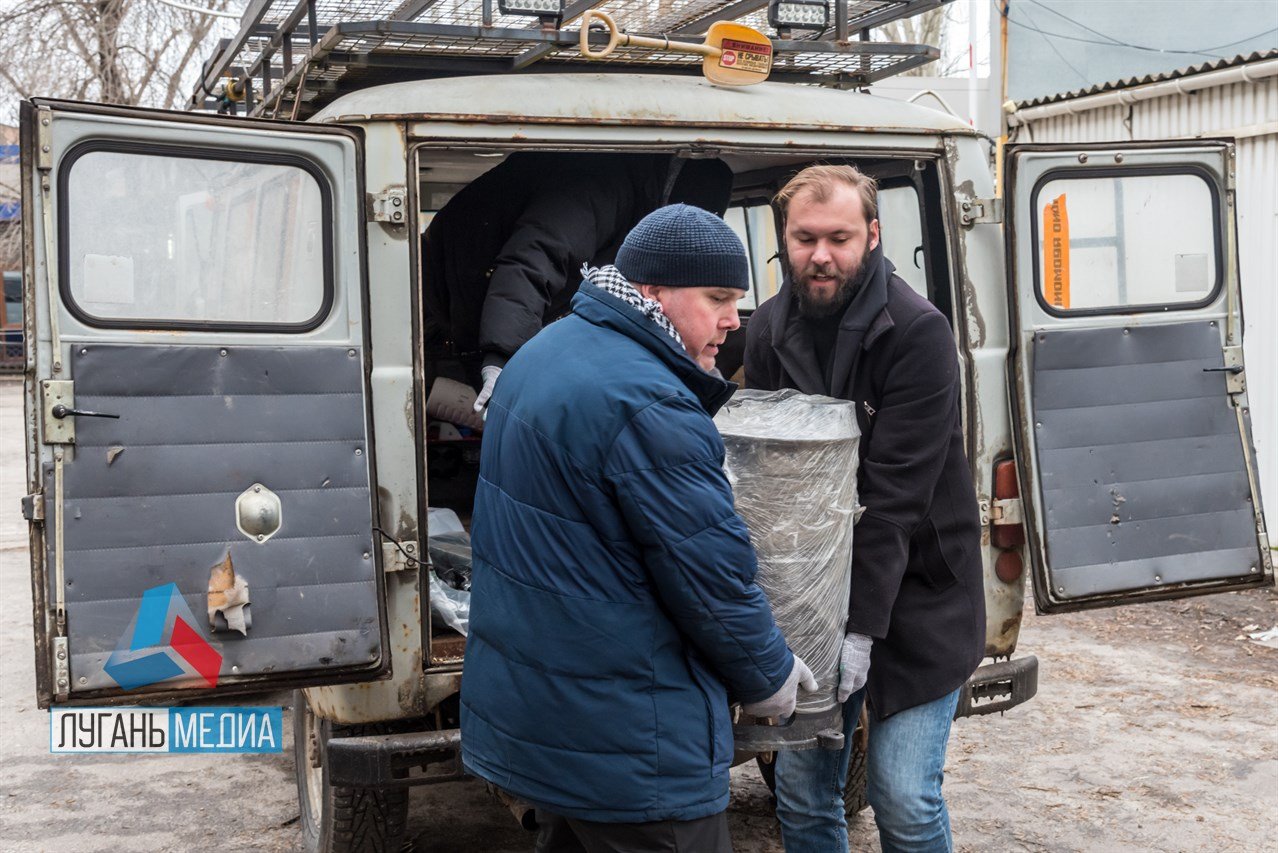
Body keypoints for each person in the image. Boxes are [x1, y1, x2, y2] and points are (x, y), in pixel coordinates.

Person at [460, 204, 818, 853]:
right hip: (633, 745)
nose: (733, 320)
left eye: (737, 300)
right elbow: (712, 579)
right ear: (652, 291)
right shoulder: (647, 402)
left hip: (553, 720)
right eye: (718, 298)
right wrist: (770, 675)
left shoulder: (542, 354)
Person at [744, 165, 985, 853]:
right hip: (813, 600)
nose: (821, 254)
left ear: (873, 235)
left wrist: (860, 630)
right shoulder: (766, 332)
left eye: (840, 238)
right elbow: (771, 484)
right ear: (783, 238)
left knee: (903, 797)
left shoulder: (918, 333)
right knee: (802, 790)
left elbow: (894, 500)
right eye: (805, 237)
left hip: (918, 593)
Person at [420, 152, 734, 411]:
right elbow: (535, 259)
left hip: (486, 293)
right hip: (440, 287)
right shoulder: (600, 186)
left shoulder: (639, 208)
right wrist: (502, 358)